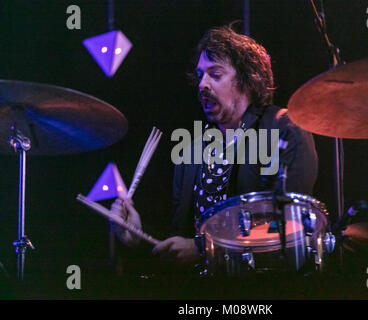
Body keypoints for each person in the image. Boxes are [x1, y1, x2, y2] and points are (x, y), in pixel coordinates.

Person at [111, 25, 318, 268]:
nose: (202, 85)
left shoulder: (283, 130)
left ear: (248, 80)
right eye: (200, 75)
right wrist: (139, 235)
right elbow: (182, 234)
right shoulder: (192, 151)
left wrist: (204, 249)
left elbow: (289, 225)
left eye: (215, 75)